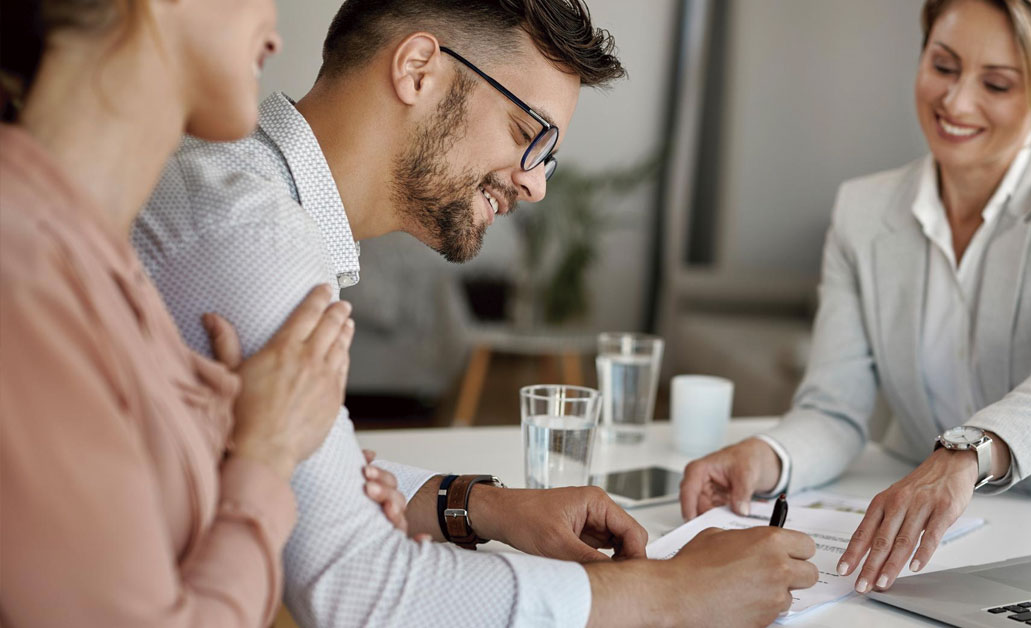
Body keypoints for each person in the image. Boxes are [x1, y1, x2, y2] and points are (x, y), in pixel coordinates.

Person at [132, 0, 819, 626]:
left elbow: (312, 477)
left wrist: (477, 504)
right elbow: (360, 588)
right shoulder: (254, 239)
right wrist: (672, 596)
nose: (536, 183)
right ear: (419, 69)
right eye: (529, 131)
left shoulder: (250, 201)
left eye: (548, 155)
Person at [680, 0, 1031, 600]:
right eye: (944, 66)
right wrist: (766, 455)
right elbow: (835, 408)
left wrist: (967, 453)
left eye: (996, 83)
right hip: (946, 551)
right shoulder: (863, 212)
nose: (956, 101)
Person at [0, 0, 357, 626]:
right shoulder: (24, 273)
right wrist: (267, 456)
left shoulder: (99, 261)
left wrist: (225, 431)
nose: (273, 35)